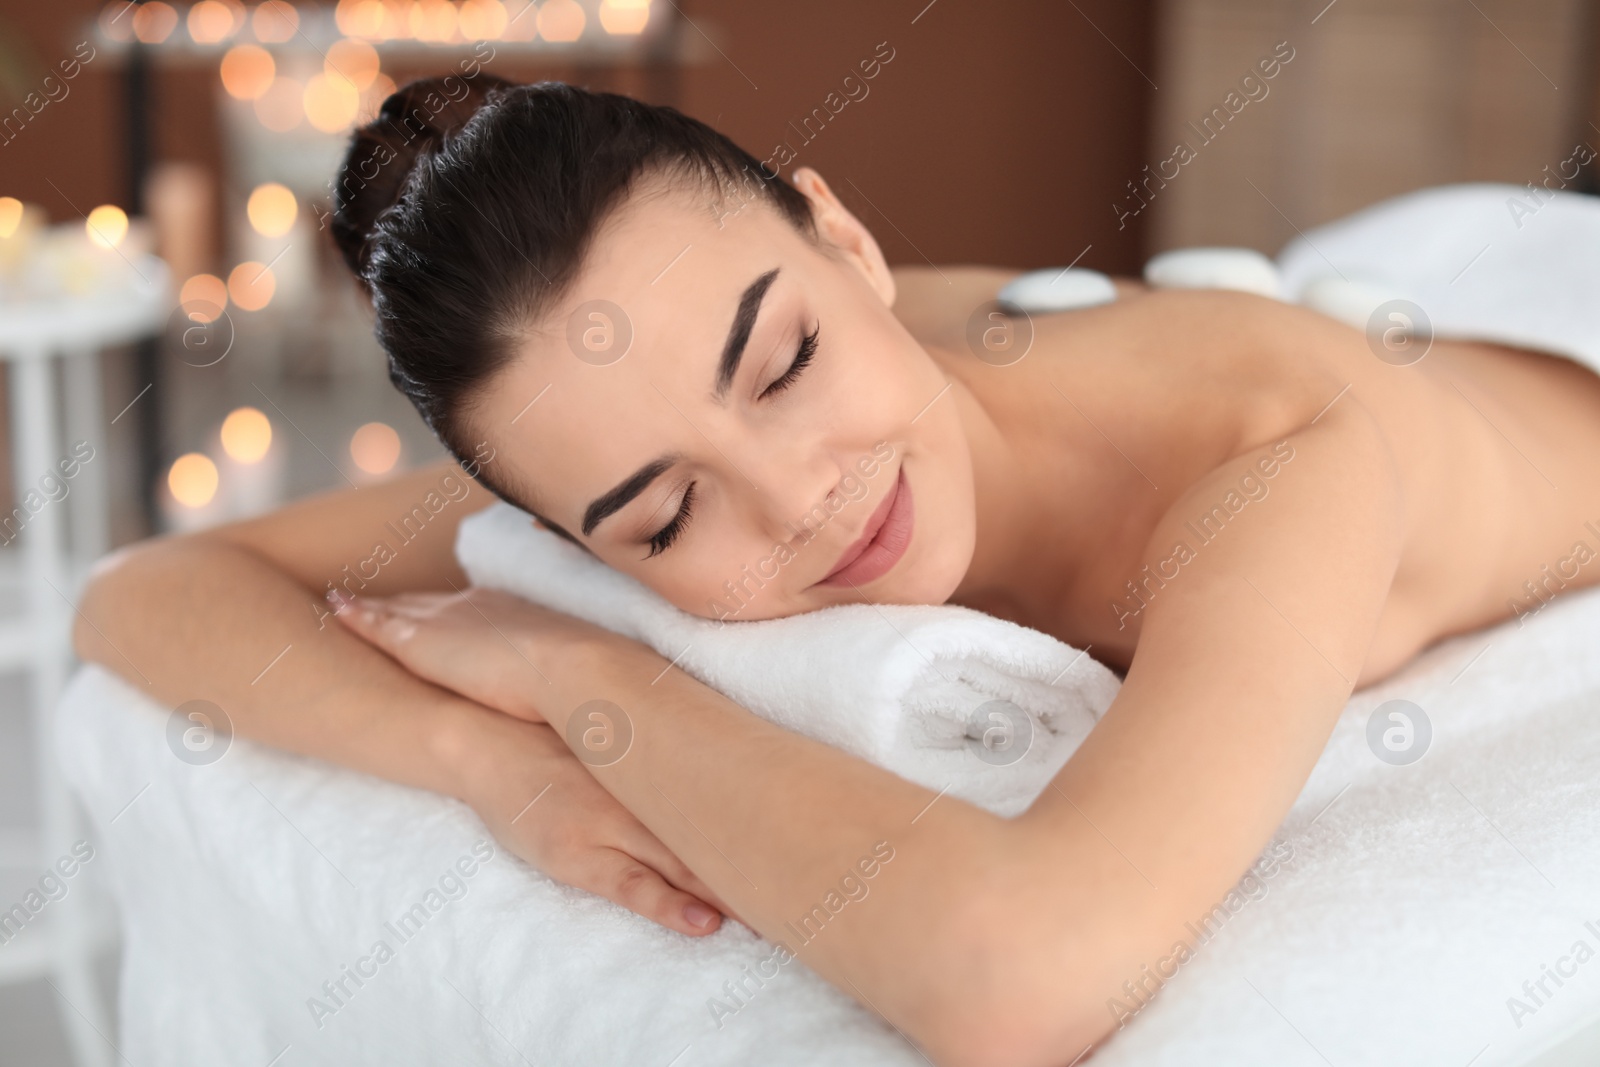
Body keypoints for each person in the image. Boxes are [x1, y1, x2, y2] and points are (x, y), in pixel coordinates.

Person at [76, 75, 1600, 1063]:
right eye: (662, 523)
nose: (798, 502)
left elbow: (1020, 979)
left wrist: (578, 677)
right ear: (564, 531)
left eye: (786, 360)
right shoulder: (631, 393)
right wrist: (489, 765)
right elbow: (142, 593)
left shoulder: (1276, 460)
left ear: (849, 246)